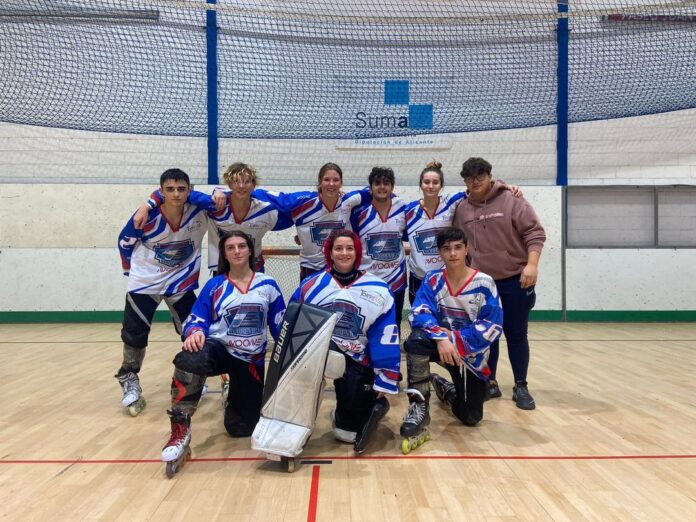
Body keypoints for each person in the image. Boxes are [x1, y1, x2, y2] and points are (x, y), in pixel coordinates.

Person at [161, 231, 286, 463]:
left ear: (250, 250)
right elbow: (196, 318)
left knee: (241, 428)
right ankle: (180, 427)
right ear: (224, 255)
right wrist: (195, 331)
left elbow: (280, 324)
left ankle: (232, 393)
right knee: (191, 357)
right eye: (231, 248)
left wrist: (292, 349)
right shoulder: (215, 285)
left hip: (251, 361)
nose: (237, 251)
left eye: (242, 246)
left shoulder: (268, 284)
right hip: (220, 349)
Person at [289, 230, 400, 444]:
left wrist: (385, 376)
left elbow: (384, 335)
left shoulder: (378, 288)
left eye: (349, 248)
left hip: (357, 356)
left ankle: (352, 410)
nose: (344, 253)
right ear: (330, 253)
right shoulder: (311, 286)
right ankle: (296, 421)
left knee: (348, 432)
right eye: (338, 248)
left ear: (357, 252)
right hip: (316, 354)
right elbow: (294, 323)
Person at [453, 157, 546, 410]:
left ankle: (521, 385)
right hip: (482, 284)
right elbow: (458, 243)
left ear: (490, 176)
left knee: (516, 333)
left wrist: (532, 265)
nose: (476, 181)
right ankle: (489, 383)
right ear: (465, 181)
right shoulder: (461, 208)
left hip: (516, 279)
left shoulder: (511, 199)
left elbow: (535, 233)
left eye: (480, 176)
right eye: (470, 177)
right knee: (487, 335)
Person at [116, 168, 210, 416]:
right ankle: (129, 379)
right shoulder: (146, 216)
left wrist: (151, 200)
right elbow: (124, 242)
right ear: (161, 191)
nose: (176, 194)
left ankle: (192, 377)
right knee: (134, 334)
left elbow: (216, 202)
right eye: (169, 189)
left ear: (189, 190)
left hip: (181, 281)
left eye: (181, 189)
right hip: (145, 282)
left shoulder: (199, 212)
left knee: (194, 331)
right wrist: (131, 274)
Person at [401, 227, 503, 440]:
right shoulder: (432, 279)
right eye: (447, 249)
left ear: (467, 249)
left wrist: (452, 338)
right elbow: (418, 312)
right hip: (440, 346)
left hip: (470, 354)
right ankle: (419, 406)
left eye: (458, 247)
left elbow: (491, 326)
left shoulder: (485, 283)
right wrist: (440, 338)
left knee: (471, 417)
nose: (453, 253)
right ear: (440, 252)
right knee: (415, 341)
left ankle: (445, 388)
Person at [406, 161, 523, 305]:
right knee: (419, 315)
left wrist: (505, 187)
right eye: (426, 182)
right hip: (418, 278)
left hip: (447, 276)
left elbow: (480, 190)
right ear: (420, 185)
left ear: (441, 186)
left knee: (447, 316)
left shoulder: (451, 201)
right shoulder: (408, 211)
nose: (431, 186)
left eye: (435, 182)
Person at [259, 163, 370, 280]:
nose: (331, 184)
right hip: (311, 268)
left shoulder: (348, 201)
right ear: (320, 182)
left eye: (336, 180)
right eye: (327, 180)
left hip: (338, 267)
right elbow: (273, 198)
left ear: (341, 183)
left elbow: (374, 190)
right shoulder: (303, 202)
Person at [350, 167, 408, 336]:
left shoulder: (403, 209)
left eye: (386, 183)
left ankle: (393, 354)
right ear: (370, 188)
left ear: (392, 187)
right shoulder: (358, 214)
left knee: (394, 325)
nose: (382, 187)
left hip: (396, 281)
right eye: (377, 183)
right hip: (368, 281)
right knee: (366, 326)